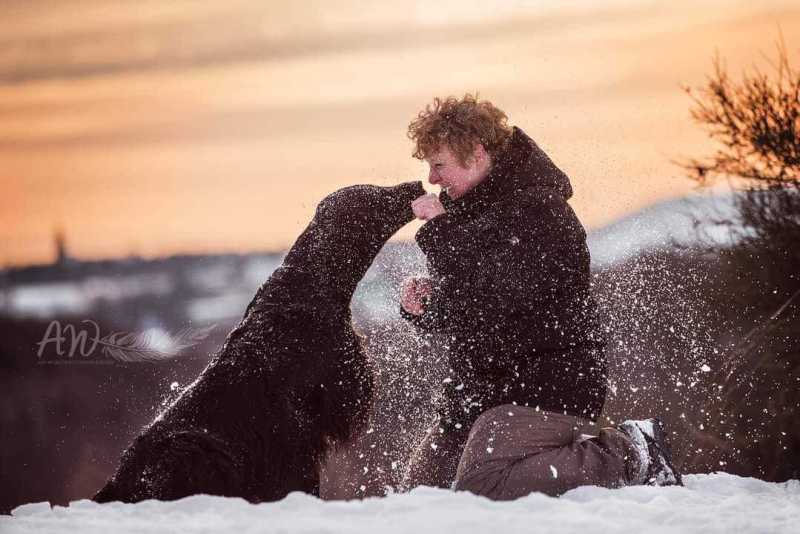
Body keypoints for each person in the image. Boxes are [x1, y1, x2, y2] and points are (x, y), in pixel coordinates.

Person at [399, 94, 681, 499]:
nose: (433, 178)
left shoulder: (541, 212)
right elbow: (468, 305)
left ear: (476, 154)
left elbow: (497, 296)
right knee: (420, 496)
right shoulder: (465, 210)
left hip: (546, 387)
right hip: (479, 392)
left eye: (439, 165)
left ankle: (631, 450)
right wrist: (425, 307)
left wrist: (442, 234)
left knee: (481, 487)